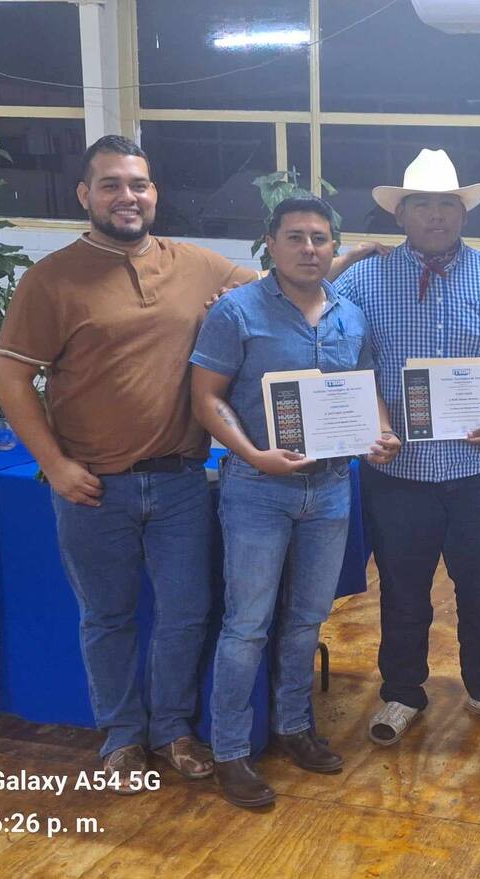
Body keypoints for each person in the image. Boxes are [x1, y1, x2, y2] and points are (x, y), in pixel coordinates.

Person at [0, 135, 263, 792]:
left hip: (180, 482)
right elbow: (9, 378)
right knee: (107, 617)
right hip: (92, 488)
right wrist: (53, 465)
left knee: (186, 613)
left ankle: (171, 729)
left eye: (137, 183)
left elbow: (286, 289)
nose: (126, 196)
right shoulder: (51, 279)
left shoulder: (196, 265)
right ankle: (120, 736)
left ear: (154, 193)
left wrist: (361, 259)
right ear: (85, 195)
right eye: (110, 184)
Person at [333, 149, 480, 745]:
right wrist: (366, 428)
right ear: (401, 214)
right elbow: (345, 361)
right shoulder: (362, 281)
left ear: (462, 213)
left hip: (479, 470)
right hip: (398, 472)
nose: (436, 216)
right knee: (403, 592)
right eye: (423, 205)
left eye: (447, 205)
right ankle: (402, 693)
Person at [189, 196, 399, 808]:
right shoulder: (236, 312)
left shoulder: (351, 317)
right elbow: (207, 399)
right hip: (257, 489)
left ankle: (292, 728)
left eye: (320, 238)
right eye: (296, 237)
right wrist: (254, 455)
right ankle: (229, 750)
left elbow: (366, 394)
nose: (310, 248)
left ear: (335, 246)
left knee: (308, 619)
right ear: (271, 244)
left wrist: (379, 434)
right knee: (247, 625)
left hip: (332, 488)